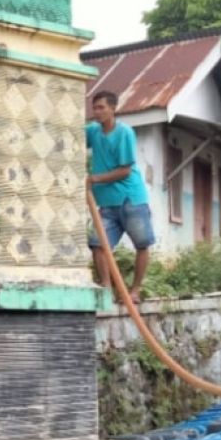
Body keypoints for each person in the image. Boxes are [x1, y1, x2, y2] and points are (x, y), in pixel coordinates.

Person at [86, 90, 155, 304]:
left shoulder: (124, 132)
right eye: (94, 108)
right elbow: (69, 133)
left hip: (131, 199)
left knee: (141, 245)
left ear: (113, 108)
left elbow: (125, 170)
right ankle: (107, 287)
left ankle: (134, 291)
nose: (96, 112)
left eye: (101, 108)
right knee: (97, 244)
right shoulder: (93, 132)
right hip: (107, 204)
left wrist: (94, 179)